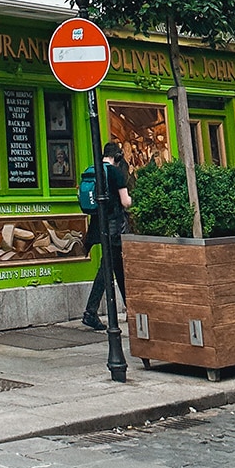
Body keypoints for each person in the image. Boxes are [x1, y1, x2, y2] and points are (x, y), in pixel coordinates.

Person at [82, 140, 131, 330]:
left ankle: (131, 308)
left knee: (117, 267)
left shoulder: (93, 169)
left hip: (98, 226)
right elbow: (125, 202)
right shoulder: (116, 173)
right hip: (114, 228)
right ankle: (90, 312)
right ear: (118, 156)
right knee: (108, 268)